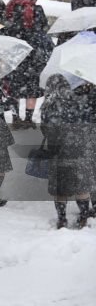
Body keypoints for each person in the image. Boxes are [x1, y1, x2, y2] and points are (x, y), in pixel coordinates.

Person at [41, 74, 93, 229]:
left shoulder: (47, 105)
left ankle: (62, 219)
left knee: (61, 187)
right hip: (78, 147)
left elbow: (45, 129)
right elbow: (86, 121)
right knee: (81, 184)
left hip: (58, 150)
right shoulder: (77, 100)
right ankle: (83, 217)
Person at [3, 0, 52, 128]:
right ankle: (29, 119)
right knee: (32, 86)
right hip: (34, 53)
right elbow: (43, 30)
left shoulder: (11, 8)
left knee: (16, 84)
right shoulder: (37, 10)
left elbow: (7, 28)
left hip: (16, 51)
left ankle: (17, 116)